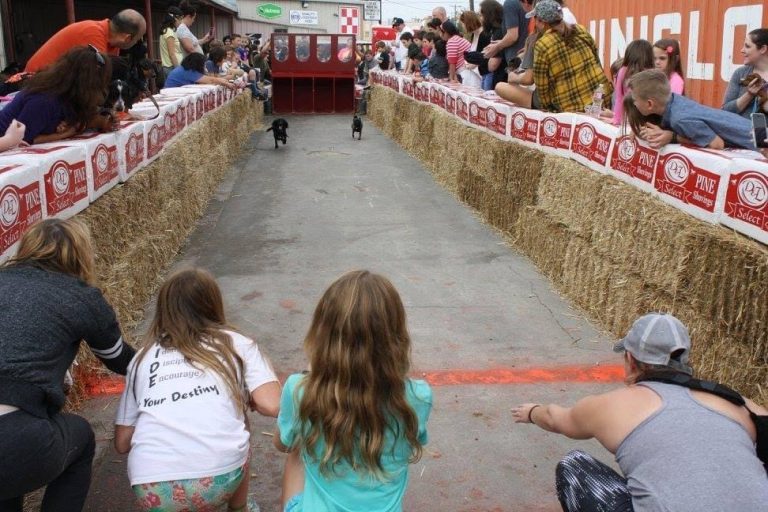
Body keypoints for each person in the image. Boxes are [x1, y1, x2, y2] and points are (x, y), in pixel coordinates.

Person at [512, 312, 768, 512]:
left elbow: (555, 418)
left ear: (631, 361)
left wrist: (532, 411)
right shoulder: (735, 402)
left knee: (574, 465)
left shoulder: (611, 406)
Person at [114, 268, 280, 512]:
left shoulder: (142, 358)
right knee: (239, 421)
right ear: (213, 304)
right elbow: (272, 404)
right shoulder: (236, 343)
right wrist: (245, 398)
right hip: (218, 480)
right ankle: (239, 507)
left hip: (151, 488)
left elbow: (121, 443)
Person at [0, 218, 135, 512]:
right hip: (15, 436)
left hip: (12, 434)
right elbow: (120, 359)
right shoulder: (82, 297)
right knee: (81, 437)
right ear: (82, 255)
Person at [274, 270, 432, 511]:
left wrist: (313, 376)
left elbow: (282, 443)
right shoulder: (418, 396)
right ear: (395, 334)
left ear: (323, 333)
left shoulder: (299, 390)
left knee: (297, 449)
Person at [0, 46, 113, 145]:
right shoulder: (44, 100)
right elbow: (23, 140)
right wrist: (66, 134)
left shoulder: (68, 96)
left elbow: (82, 117)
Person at [625, 69, 757, 150]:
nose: (634, 104)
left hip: (757, 143)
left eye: (635, 100)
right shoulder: (676, 100)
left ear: (649, 104)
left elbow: (717, 144)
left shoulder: (680, 119)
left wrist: (673, 137)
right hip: (754, 129)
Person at [530, 0, 612, 112]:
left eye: (535, 18)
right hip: (603, 98)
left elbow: (542, 86)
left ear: (542, 22)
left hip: (575, 107)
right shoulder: (581, 29)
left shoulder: (542, 44)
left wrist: (548, 107)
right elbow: (597, 61)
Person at [25, 9, 146, 73]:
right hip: (36, 82)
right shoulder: (93, 33)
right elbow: (93, 80)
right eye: (137, 39)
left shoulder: (113, 44)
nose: (136, 43)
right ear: (128, 38)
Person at [723, 28, 768, 118]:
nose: (742, 50)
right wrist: (749, 95)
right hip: (739, 130)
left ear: (763, 49)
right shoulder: (740, 73)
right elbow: (725, 111)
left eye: (747, 46)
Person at [610, 39, 654, 125]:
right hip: (633, 116)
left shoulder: (651, 73)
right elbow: (619, 97)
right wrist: (617, 119)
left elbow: (619, 98)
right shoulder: (623, 71)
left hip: (643, 117)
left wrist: (617, 119)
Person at [482, 0, 534, 69]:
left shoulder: (509, 3)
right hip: (528, 57)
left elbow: (512, 36)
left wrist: (496, 47)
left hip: (517, 61)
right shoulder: (521, 3)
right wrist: (501, 42)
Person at [164, 53, 236, 89]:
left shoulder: (185, 68)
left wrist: (223, 80)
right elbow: (210, 80)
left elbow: (208, 78)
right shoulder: (188, 71)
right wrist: (226, 83)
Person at [159, 7, 184, 78]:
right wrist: (179, 70)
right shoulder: (169, 32)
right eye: (180, 19)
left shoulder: (166, 30)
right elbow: (172, 54)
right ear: (175, 18)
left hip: (171, 68)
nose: (181, 22)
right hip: (171, 68)